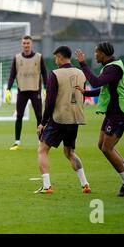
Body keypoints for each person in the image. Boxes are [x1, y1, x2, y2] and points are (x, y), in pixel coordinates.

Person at [75, 42, 124, 197]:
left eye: (96, 52)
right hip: (113, 112)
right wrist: (86, 93)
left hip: (120, 113)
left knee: (107, 148)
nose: (95, 55)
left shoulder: (113, 68)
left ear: (103, 53)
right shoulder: (112, 66)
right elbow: (105, 88)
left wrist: (83, 63)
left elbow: (96, 82)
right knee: (101, 145)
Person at [35, 46, 91, 194]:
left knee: (42, 150)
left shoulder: (55, 74)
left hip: (59, 118)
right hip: (75, 118)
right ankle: (85, 184)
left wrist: (42, 122)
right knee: (69, 152)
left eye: (56, 57)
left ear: (60, 57)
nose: (55, 60)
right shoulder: (81, 73)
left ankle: (47, 186)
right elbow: (83, 95)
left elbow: (50, 101)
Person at [5, 35, 47, 150]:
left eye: (28, 43)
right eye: (24, 43)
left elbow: (44, 73)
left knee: (39, 116)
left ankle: (41, 142)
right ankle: (17, 142)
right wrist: (8, 89)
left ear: (31, 44)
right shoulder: (17, 57)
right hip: (22, 91)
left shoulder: (39, 57)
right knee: (19, 116)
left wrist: (46, 88)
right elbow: (12, 74)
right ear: (21, 44)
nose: (26, 45)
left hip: (35, 91)